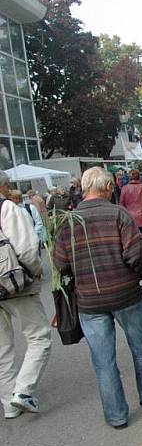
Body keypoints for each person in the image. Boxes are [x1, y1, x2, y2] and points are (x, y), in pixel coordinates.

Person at [53, 168, 142, 429]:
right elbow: (136, 255)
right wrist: (138, 275)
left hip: (89, 301)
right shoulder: (118, 214)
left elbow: (60, 263)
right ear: (107, 187)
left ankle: (116, 414)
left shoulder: (68, 221)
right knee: (140, 346)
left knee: (103, 360)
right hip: (125, 293)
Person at [0, 172, 51, 419]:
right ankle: (22, 392)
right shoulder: (7, 207)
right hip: (15, 283)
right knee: (39, 337)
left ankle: (9, 404)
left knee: (2, 350)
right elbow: (28, 249)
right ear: (4, 185)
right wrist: (35, 273)